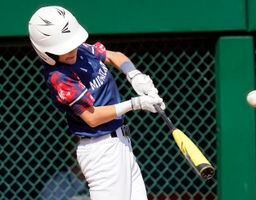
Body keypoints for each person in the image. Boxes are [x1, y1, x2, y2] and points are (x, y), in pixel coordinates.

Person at [28, 6, 165, 200]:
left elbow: (114, 55)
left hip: (122, 145)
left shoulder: (81, 50)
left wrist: (134, 75)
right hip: (101, 152)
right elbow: (92, 117)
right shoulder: (59, 76)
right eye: (63, 48)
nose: (71, 50)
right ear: (45, 52)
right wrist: (135, 104)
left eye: (72, 43)